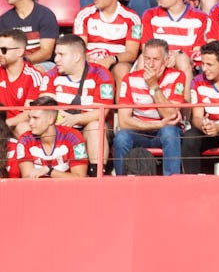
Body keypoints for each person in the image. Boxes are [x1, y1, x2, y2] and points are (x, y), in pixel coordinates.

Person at [111, 36, 187, 174]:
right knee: (122, 137)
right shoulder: (130, 79)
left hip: (163, 132)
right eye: (147, 59)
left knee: (170, 132)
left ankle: (172, 183)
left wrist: (153, 85)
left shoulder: (177, 76)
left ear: (166, 60)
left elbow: (171, 115)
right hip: (140, 131)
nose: (150, 65)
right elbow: (124, 121)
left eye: (156, 59)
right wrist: (158, 124)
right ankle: (121, 184)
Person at [43, 35, 113, 167]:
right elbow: (45, 108)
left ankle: (96, 177)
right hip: (59, 127)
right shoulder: (51, 75)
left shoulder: (101, 74)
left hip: (86, 128)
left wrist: (75, 119)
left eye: (61, 54)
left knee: (95, 127)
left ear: (76, 57)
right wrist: (64, 118)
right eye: (56, 54)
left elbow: (101, 112)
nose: (56, 59)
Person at [74, 0, 143, 82]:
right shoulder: (84, 15)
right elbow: (79, 47)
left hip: (116, 62)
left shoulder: (132, 18)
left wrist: (111, 60)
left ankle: (121, 100)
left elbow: (131, 54)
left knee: (123, 69)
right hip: (90, 60)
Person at [143, 0, 209, 74]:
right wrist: (166, 58)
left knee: (182, 60)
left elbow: (198, 51)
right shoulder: (150, 15)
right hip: (156, 64)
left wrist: (176, 56)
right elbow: (146, 47)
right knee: (142, 60)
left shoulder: (200, 18)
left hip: (186, 65)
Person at [12, 97, 89, 178]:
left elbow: (80, 178)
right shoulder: (24, 140)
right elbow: (28, 178)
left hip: (68, 189)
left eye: (35, 118)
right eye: (29, 118)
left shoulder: (74, 137)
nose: (30, 123)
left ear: (50, 120)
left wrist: (50, 171)